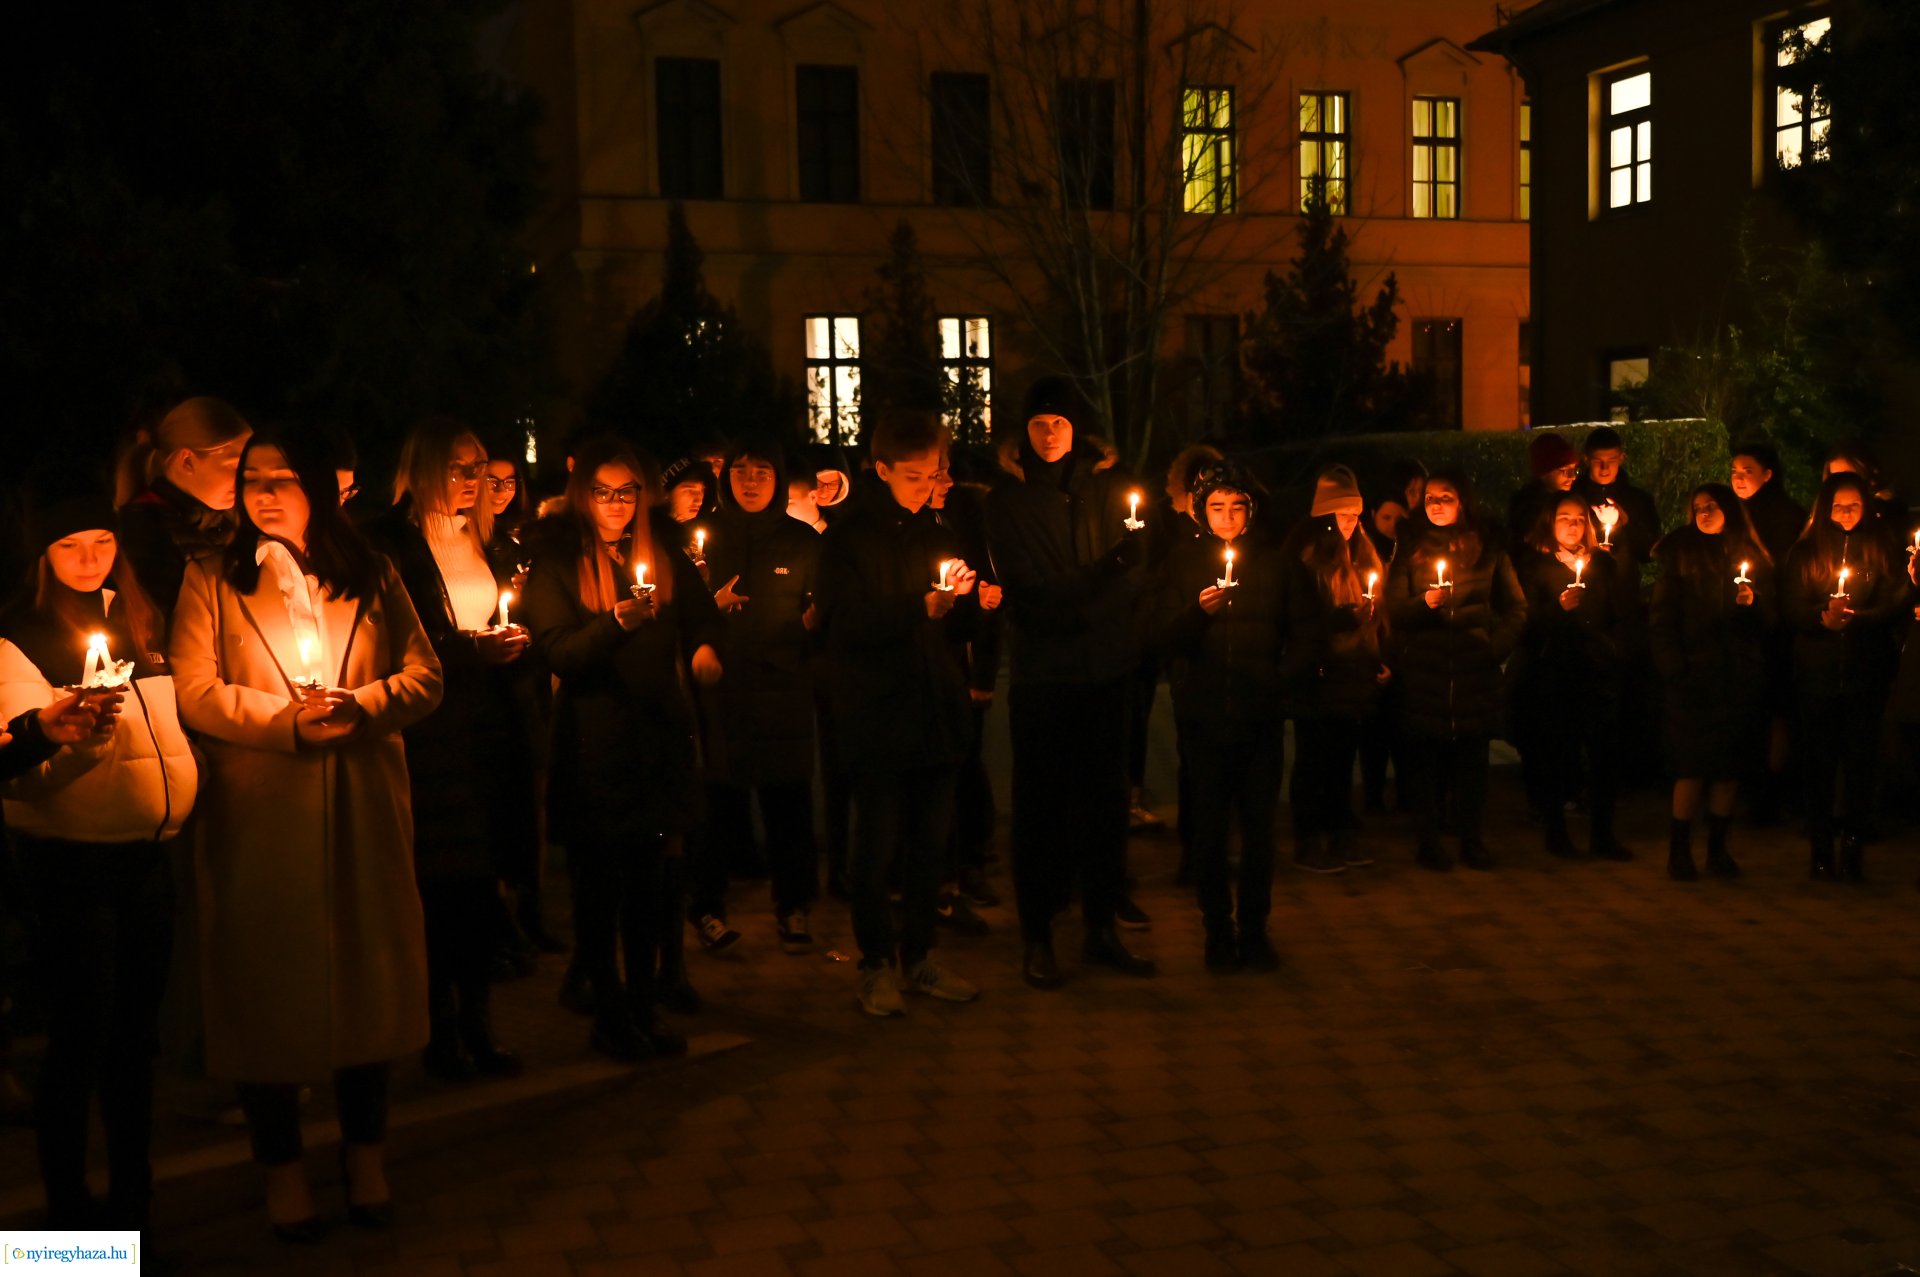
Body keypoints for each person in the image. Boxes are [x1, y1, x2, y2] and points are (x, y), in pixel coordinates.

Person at [169, 426, 444, 1241]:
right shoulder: (211, 577)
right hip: (262, 816)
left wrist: (361, 705)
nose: (265, 489)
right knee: (265, 999)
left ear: (320, 488)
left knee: (368, 992)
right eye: (253, 476)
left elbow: (425, 676)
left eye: (285, 476)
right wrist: (286, 723)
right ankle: (283, 1172)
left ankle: (366, 1157)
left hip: (361, 803)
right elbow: (194, 690)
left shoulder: (371, 571)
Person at [0, 482, 198, 1229]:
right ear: (41, 554)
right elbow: (25, 780)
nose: (90, 559)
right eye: (69, 545)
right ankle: (69, 1223)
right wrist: (75, 737)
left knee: (131, 1044)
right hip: (71, 864)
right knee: (79, 1040)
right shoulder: (17, 635)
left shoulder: (141, 616)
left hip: (148, 856)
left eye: (102, 541)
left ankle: (132, 1212)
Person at [522, 436, 723, 1057]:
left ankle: (643, 1007)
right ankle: (608, 1014)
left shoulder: (660, 548)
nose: (615, 504)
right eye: (604, 492)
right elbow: (557, 650)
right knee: (598, 892)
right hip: (593, 745)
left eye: (627, 492)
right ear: (586, 496)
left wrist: (704, 650)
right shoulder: (557, 557)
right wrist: (613, 624)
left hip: (654, 741)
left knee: (647, 888)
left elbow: (701, 615)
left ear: (643, 495)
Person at [369, 420, 535, 1082]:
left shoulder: (483, 541)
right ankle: (438, 1034)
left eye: (477, 469)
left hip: (486, 728)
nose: (471, 481)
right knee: (441, 888)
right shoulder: (391, 543)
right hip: (430, 736)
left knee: (481, 885)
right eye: (457, 467)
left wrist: (506, 646)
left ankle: (479, 1026)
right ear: (423, 468)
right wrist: (471, 651)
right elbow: (399, 641)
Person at [985, 376, 1152, 988]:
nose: (1050, 433)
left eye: (1059, 422)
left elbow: (1138, 577)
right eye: (1039, 423)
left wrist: (1101, 595)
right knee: (1040, 809)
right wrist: (1103, 577)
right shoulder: (1007, 501)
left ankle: (1101, 927)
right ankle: (1038, 936)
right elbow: (1031, 593)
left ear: (1077, 427)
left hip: (1105, 672)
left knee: (1106, 805)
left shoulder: (1109, 490)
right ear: (1023, 431)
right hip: (1045, 676)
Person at [817, 412, 980, 1015]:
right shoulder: (846, 537)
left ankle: (921, 957)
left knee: (929, 848)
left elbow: (950, 626)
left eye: (933, 474)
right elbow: (844, 624)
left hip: (934, 714)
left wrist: (969, 600)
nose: (925, 485)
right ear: (881, 470)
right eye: (912, 476)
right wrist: (920, 607)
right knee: (876, 846)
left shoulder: (935, 528)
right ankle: (876, 964)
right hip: (878, 716)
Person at [1156, 460, 1285, 972]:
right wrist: (1199, 613)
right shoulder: (1181, 562)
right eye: (1216, 507)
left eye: (1236, 506)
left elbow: (1304, 630)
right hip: (1205, 719)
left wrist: (1279, 682)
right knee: (1209, 834)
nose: (1227, 517)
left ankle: (1254, 931)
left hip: (1259, 717)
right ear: (1200, 513)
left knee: (1259, 833)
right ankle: (1216, 932)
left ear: (1250, 511)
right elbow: (1162, 636)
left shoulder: (1274, 563)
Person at [702, 435, 822, 953]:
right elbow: (680, 611)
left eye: (762, 472)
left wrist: (810, 628)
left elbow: (823, 610)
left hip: (782, 688)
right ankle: (706, 907)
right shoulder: (703, 537)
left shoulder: (802, 540)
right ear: (726, 477)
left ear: (777, 479)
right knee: (715, 804)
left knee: (788, 804)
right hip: (721, 688)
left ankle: (793, 907)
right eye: (741, 471)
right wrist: (709, 615)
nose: (750, 482)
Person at [1386, 471, 1526, 871]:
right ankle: (1428, 841)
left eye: (1446, 496)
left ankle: (1472, 839)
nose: (1437, 504)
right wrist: (1423, 605)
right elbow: (1394, 608)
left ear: (1463, 500)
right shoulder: (1409, 545)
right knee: (1424, 764)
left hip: (1472, 671)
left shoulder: (1488, 548)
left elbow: (1516, 608)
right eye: (1430, 497)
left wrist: (1492, 648)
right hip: (1427, 672)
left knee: (1472, 763)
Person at [1783, 473, 1904, 882]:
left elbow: (1893, 602)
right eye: (1838, 505)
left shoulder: (1881, 546)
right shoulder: (1807, 551)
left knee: (1859, 766)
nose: (1846, 513)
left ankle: (1853, 848)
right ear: (1825, 508)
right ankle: (1819, 848)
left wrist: (1857, 619)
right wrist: (1823, 618)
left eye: (1854, 505)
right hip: (1816, 674)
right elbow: (1793, 607)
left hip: (1864, 674)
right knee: (1818, 764)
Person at [1649, 484, 1773, 880]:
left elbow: (1768, 622)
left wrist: (1750, 609)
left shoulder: (1748, 555)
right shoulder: (1680, 553)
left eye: (1712, 506)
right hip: (1692, 677)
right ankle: (1679, 849)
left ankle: (1718, 849)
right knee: (1691, 767)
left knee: (1727, 768)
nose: (1703, 513)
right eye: (1697, 506)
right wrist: (1675, 670)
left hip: (1735, 678)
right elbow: (1662, 619)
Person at [1511, 494, 1634, 861]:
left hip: (1596, 671)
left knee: (1603, 756)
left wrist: (1612, 647)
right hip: (1554, 673)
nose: (1573, 525)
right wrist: (1558, 610)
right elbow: (1526, 623)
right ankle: (1556, 833)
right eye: (1564, 518)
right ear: (1550, 523)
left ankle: (1603, 833)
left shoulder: (1602, 564)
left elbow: (1618, 612)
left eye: (1580, 519)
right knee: (1557, 755)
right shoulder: (1536, 566)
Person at [1280, 466, 1389, 875]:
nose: (1350, 524)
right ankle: (1309, 837)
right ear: (1323, 517)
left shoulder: (1363, 553)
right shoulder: (1305, 559)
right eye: (1342, 515)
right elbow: (1303, 622)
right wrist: (1345, 620)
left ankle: (1340, 829)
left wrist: (1377, 653)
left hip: (1352, 675)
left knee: (1343, 760)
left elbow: (1378, 614)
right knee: (1314, 760)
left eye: (1355, 515)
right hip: (1319, 674)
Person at [930, 451, 1001, 926]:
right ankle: (941, 878)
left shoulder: (964, 517)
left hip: (957, 667)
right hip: (925, 670)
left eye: (946, 469)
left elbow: (982, 597)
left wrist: (982, 676)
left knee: (965, 765)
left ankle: (967, 863)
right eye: (936, 472)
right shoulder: (905, 530)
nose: (946, 479)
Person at [116, 396, 253, 634]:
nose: (242, 480)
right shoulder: (145, 528)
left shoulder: (230, 520)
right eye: (233, 466)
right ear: (188, 461)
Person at [1729, 442, 1807, 823]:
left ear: (1768, 473)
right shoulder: (1731, 513)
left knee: (1776, 708)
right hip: (1742, 624)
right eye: (1734, 471)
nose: (1738, 477)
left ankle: (1771, 790)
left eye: (1747, 470)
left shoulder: (1786, 515)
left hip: (1775, 625)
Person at [1360, 460, 1425, 814]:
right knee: (1373, 735)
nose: (1393, 526)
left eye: (1399, 519)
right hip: (1374, 649)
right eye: (1386, 518)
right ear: (1373, 516)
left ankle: (1405, 793)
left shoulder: (1411, 551)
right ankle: (1372, 795)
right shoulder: (1364, 551)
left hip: (1404, 652)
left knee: (1404, 733)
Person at [1574, 427, 1661, 568]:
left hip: (1623, 586)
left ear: (1621, 458)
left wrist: (1627, 523)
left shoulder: (1638, 500)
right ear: (1587, 459)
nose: (1605, 468)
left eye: (1611, 460)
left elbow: (1650, 552)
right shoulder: (1573, 499)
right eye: (1598, 461)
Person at [1506, 432, 1578, 554]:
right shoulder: (1528, 508)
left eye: (1574, 470)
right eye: (1564, 470)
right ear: (1544, 473)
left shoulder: (1570, 499)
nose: (1572, 477)